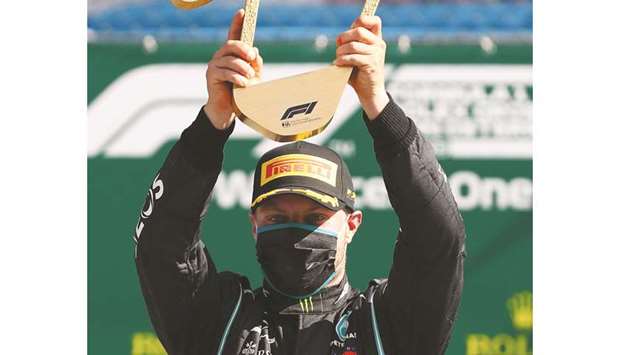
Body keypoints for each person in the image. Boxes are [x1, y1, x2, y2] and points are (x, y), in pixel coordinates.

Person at [134, 9, 465, 355]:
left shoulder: (386, 325)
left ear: (352, 225)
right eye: (277, 218)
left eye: (313, 218)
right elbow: (161, 247)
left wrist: (378, 105)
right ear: (253, 224)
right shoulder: (219, 321)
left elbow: (438, 239)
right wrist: (213, 120)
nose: (295, 232)